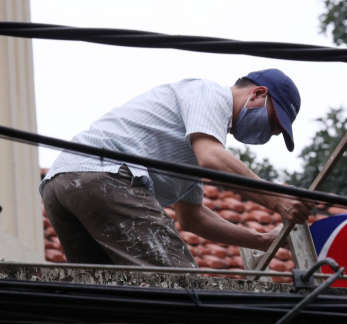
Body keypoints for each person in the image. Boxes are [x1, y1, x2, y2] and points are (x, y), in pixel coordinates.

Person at [40, 69, 313, 267]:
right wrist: (278, 199)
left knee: (109, 299)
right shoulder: (210, 94)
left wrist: (262, 240)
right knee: (180, 287)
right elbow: (212, 158)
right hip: (103, 177)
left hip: (61, 186)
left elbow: (193, 217)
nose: (270, 134)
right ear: (258, 93)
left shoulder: (194, 141)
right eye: (274, 123)